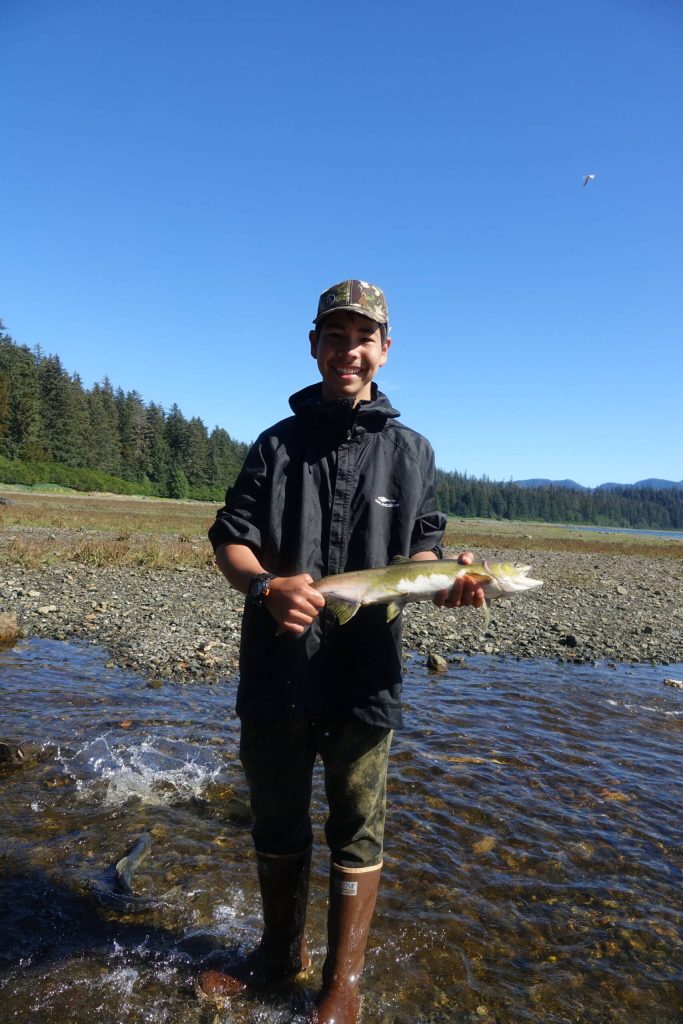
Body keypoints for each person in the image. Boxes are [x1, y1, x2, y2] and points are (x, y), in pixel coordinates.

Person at [199, 279, 484, 1022]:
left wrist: (446, 582)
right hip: (277, 667)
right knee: (276, 819)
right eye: (335, 336)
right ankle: (276, 956)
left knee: (358, 823)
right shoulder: (275, 445)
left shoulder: (412, 451)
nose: (348, 350)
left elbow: (424, 553)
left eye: (363, 338)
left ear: (384, 351)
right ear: (313, 346)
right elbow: (230, 541)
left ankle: (342, 984)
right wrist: (263, 587)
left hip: (366, 677)